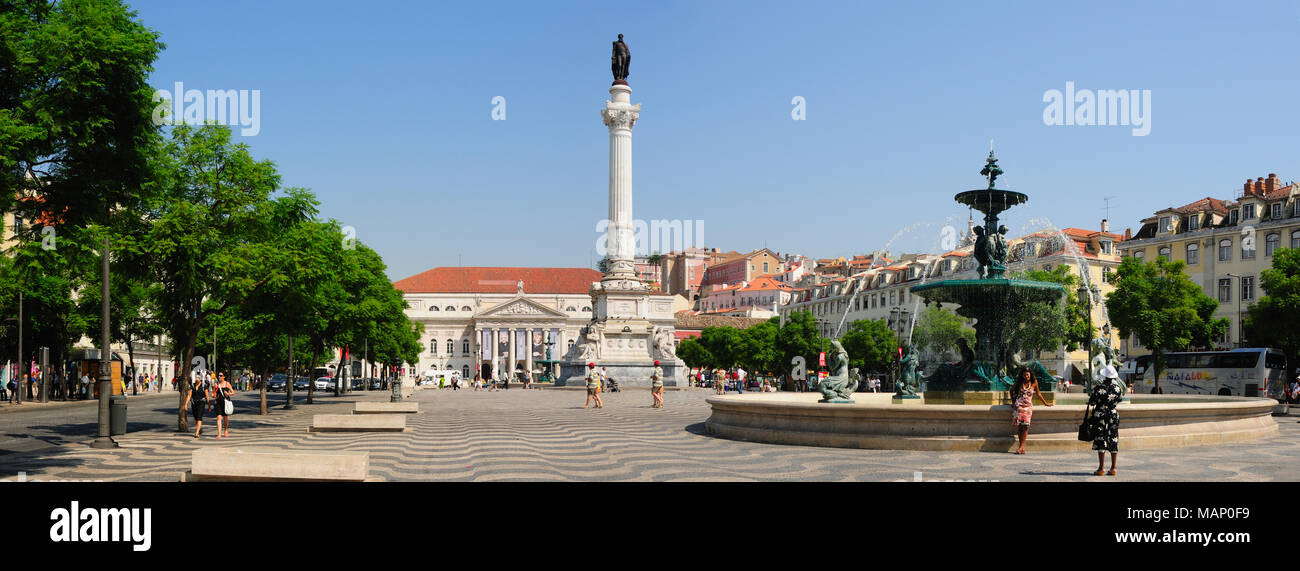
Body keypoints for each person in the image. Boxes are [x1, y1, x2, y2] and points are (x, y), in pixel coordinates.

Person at [1088, 365, 1125, 475]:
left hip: (1101, 416)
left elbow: (1092, 402)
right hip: (1113, 415)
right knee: (1113, 438)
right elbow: (1119, 400)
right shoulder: (1118, 388)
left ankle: (1101, 468)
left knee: (1101, 439)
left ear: (1104, 376)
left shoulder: (1098, 389)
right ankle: (1113, 468)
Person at [1011, 367, 1053, 454]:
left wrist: (1046, 403)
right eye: (1025, 375)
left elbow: (1038, 394)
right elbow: (1011, 390)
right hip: (1018, 406)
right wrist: (1013, 402)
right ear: (1022, 375)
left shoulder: (1034, 383)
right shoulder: (1019, 383)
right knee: (1019, 426)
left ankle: (1022, 446)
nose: (1026, 376)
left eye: (1028, 375)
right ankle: (1021, 447)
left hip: (1028, 407)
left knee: (1026, 426)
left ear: (1030, 375)